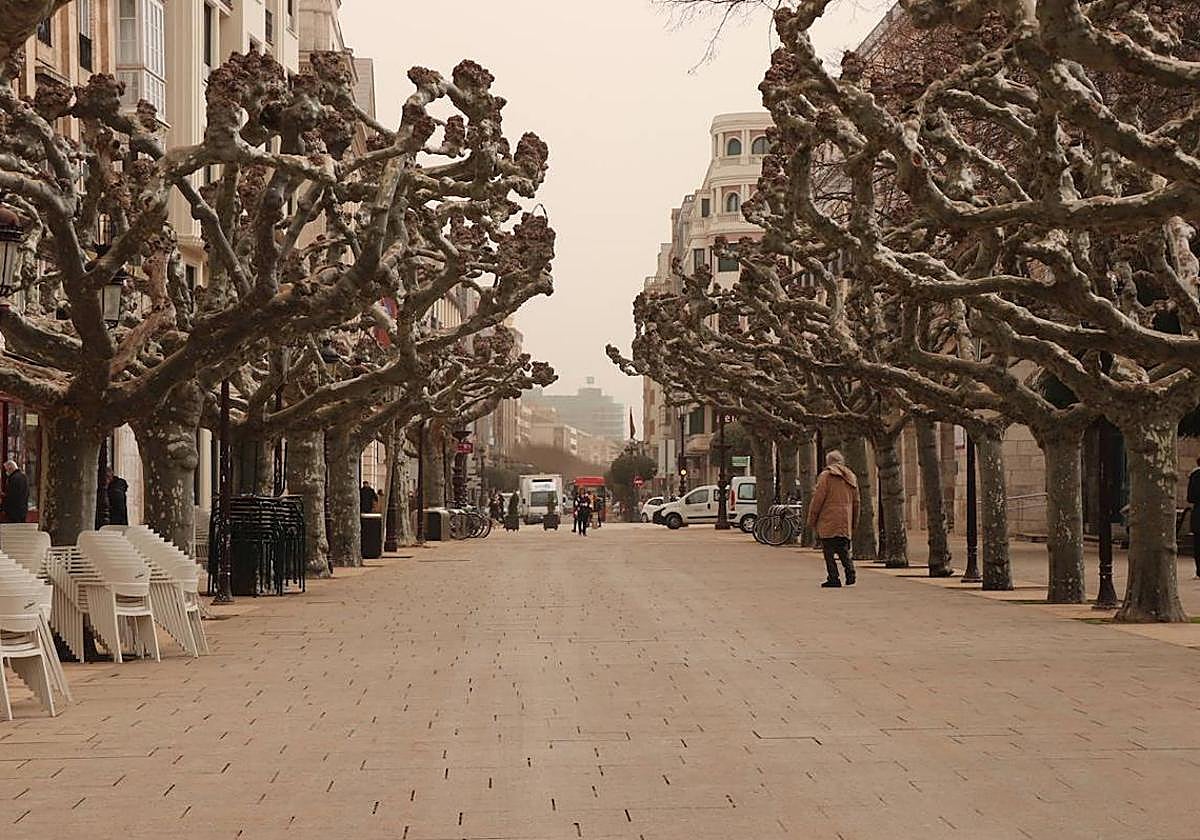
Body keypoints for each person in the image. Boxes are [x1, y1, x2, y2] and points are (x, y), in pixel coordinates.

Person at [806, 450, 860, 588]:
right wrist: (854, 521)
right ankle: (850, 573)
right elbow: (856, 502)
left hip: (828, 519)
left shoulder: (826, 476)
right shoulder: (851, 477)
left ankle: (833, 577)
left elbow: (818, 499)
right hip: (845, 519)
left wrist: (812, 518)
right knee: (843, 549)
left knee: (828, 551)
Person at [2, 460, 28, 524]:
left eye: (6, 470)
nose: (6, 472)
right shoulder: (24, 476)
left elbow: (11, 496)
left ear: (10, 468)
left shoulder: (13, 478)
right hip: (23, 509)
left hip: (13, 511)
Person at [1189, 457, 1200, 578]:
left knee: (1197, 544)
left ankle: (1199, 570)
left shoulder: (1194, 476)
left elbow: (1190, 497)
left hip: (1198, 513)